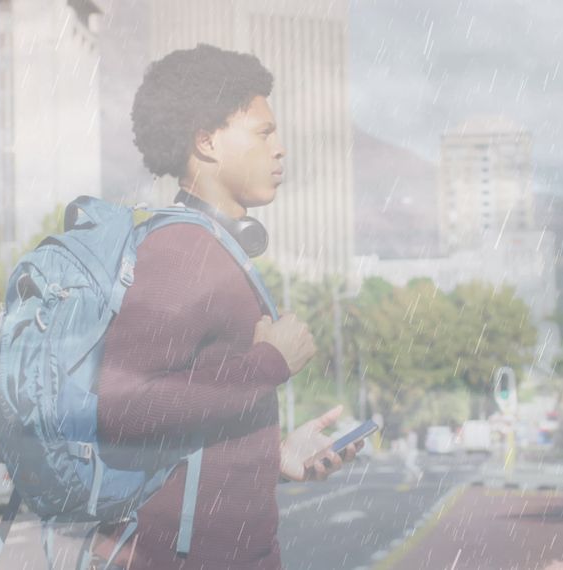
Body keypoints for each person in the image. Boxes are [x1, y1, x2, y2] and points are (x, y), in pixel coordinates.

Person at [91, 44, 362, 570]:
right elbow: (122, 409)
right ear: (207, 141)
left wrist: (275, 457)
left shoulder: (216, 249)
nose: (280, 149)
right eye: (264, 133)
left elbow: (196, 411)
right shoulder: (178, 253)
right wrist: (270, 364)